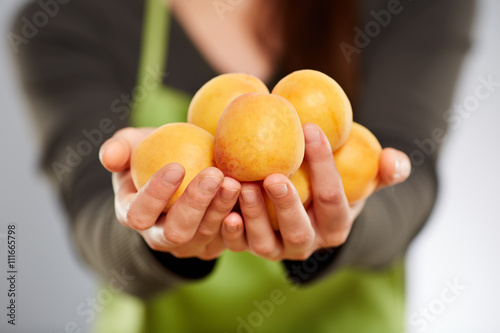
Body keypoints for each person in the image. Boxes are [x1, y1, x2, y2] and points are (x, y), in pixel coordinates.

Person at [12, 0, 475, 332]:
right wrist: (155, 239)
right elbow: (96, 216)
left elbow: (407, 179)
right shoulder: (66, 18)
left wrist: (344, 225)